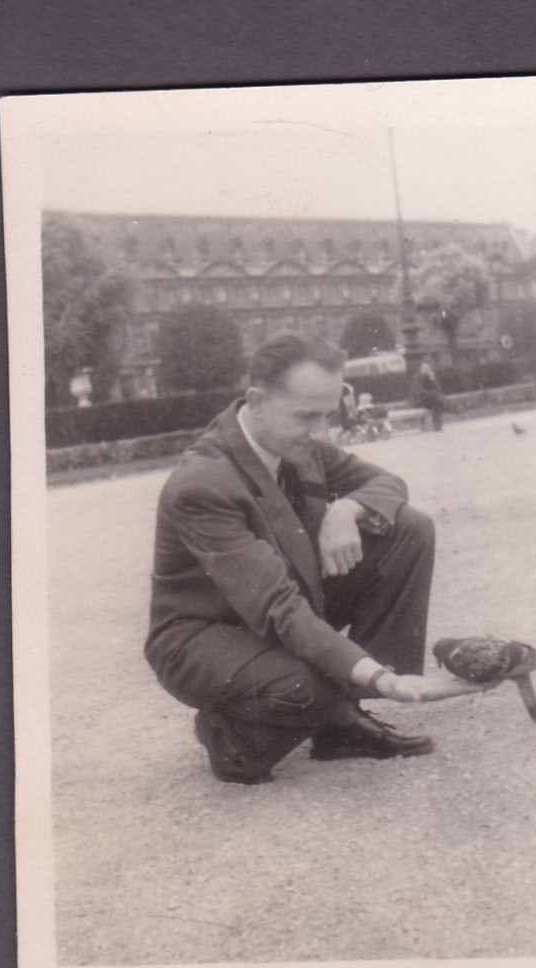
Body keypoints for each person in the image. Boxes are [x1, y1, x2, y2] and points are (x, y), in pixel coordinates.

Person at [145, 332, 468, 785]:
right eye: (307, 416)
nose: (322, 432)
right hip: (207, 636)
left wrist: (347, 508)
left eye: (328, 415)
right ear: (256, 401)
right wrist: (381, 678)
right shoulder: (203, 484)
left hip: (280, 607)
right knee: (310, 684)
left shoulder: (296, 442)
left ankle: (342, 726)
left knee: (409, 529)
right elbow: (280, 608)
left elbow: (389, 484)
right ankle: (233, 736)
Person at [409, 361, 445, 432]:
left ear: (429, 369)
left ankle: (437, 426)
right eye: (423, 368)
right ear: (420, 369)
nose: (425, 369)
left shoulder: (431, 378)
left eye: (427, 368)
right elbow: (418, 392)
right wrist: (432, 394)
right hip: (419, 401)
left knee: (437, 404)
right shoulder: (417, 378)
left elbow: (439, 390)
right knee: (437, 399)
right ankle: (453, 407)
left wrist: (432, 380)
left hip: (430, 401)